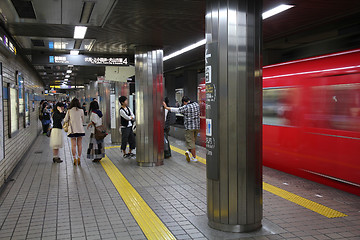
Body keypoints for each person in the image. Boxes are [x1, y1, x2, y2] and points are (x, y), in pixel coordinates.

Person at [163, 96, 200, 162]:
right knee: (193, 141)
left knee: (190, 142)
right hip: (197, 127)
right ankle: (188, 152)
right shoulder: (196, 105)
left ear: (184, 102)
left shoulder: (186, 107)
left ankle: (194, 157)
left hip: (189, 128)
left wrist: (166, 107)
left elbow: (176, 110)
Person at [64, 98, 85, 166]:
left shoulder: (69, 111)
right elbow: (83, 119)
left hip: (72, 130)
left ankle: (74, 158)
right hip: (80, 129)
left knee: (73, 145)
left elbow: (65, 120)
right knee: (80, 144)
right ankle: (79, 158)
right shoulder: (81, 110)